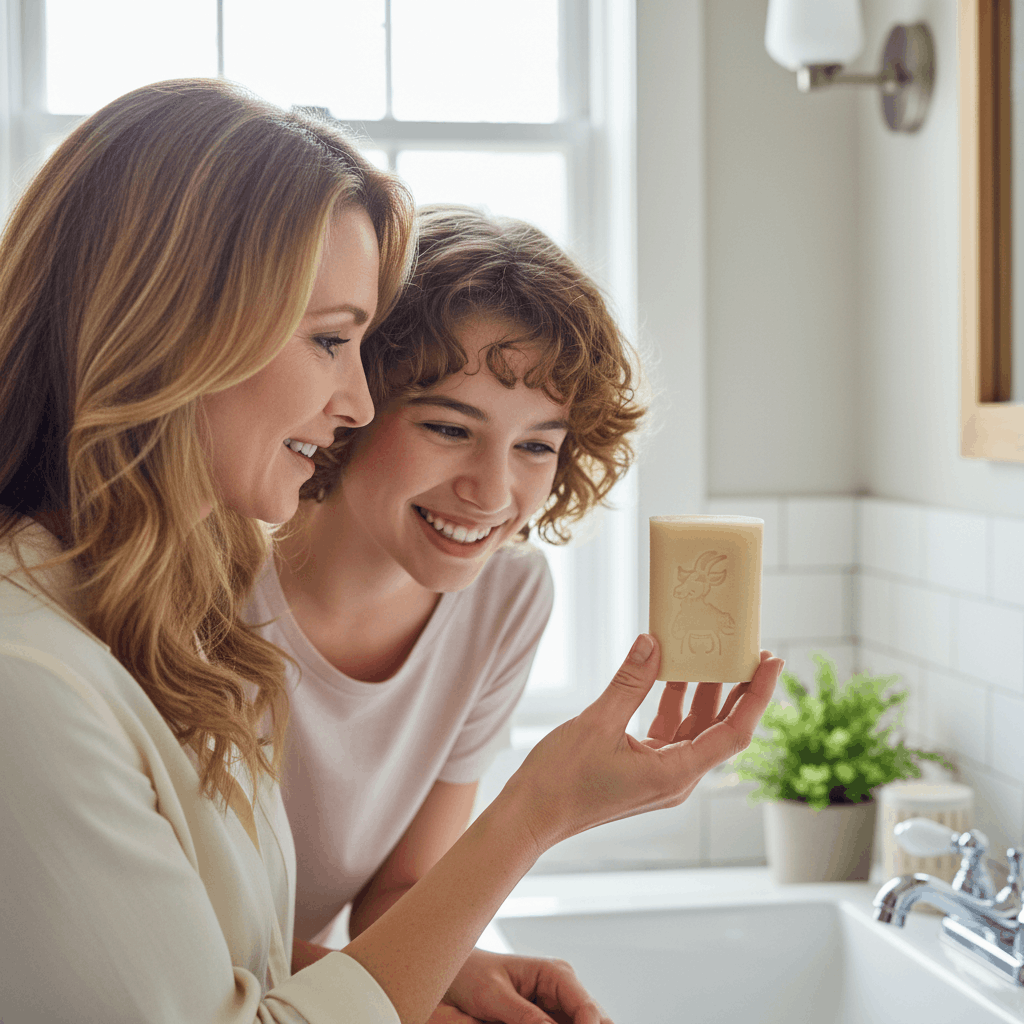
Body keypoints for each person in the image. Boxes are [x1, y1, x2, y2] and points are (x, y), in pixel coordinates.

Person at [0, 78, 785, 1024]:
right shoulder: (46, 673)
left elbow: (223, 948)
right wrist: (535, 811)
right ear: (173, 330)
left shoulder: (136, 600)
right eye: (332, 340)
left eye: (538, 443)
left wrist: (448, 965)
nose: (355, 402)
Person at [247, 206, 647, 1014]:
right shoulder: (204, 584)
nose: (494, 492)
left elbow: (402, 888)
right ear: (349, 411)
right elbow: (190, 935)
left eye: (537, 444)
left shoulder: (506, 597)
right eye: (446, 426)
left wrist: (463, 971)